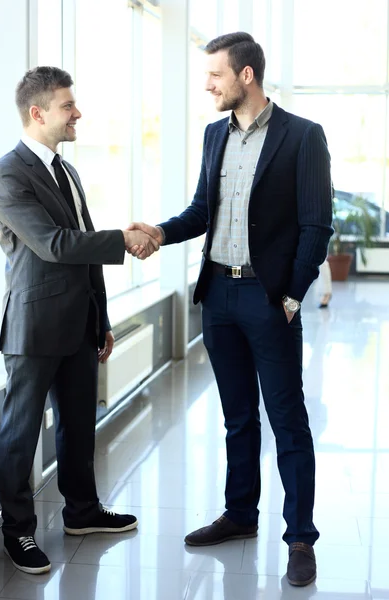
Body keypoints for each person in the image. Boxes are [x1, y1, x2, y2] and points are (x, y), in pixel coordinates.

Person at [128, 32, 333, 587]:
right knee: (237, 417)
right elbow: (202, 211)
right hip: (217, 295)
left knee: (287, 420)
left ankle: (299, 538)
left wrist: (291, 294)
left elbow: (317, 225)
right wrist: (159, 232)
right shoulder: (214, 135)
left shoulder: (304, 137)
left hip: (268, 299)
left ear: (246, 75)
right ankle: (241, 514)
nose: (207, 84)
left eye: (215, 74)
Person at [0, 66, 159, 575]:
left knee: (80, 427)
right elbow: (54, 245)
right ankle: (18, 532)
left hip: (80, 322)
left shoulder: (66, 170)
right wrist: (122, 238)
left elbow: (80, 248)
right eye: (68, 105)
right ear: (37, 114)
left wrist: (101, 316)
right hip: (34, 328)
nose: (77, 112)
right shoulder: (5, 175)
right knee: (20, 435)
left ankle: (82, 512)